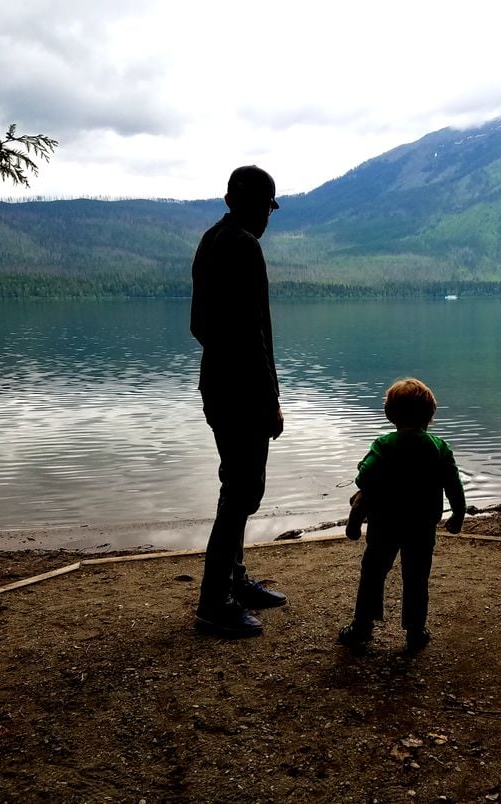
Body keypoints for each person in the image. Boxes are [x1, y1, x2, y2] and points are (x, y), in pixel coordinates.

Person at [190, 165, 286, 639]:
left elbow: (200, 327)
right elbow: (254, 335)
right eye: (268, 207)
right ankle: (215, 602)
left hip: (216, 384)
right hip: (244, 391)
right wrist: (270, 399)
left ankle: (233, 580)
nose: (269, 217)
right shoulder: (245, 246)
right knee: (243, 492)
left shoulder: (211, 240)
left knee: (237, 485)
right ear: (255, 205)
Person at [338, 377, 466, 653]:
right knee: (417, 577)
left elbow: (365, 479)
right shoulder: (439, 447)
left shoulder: (384, 445)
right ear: (430, 415)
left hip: (385, 524)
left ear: (390, 414)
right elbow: (454, 485)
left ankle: (362, 627)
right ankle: (415, 632)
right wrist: (458, 514)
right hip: (422, 526)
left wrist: (362, 470)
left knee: (373, 573)